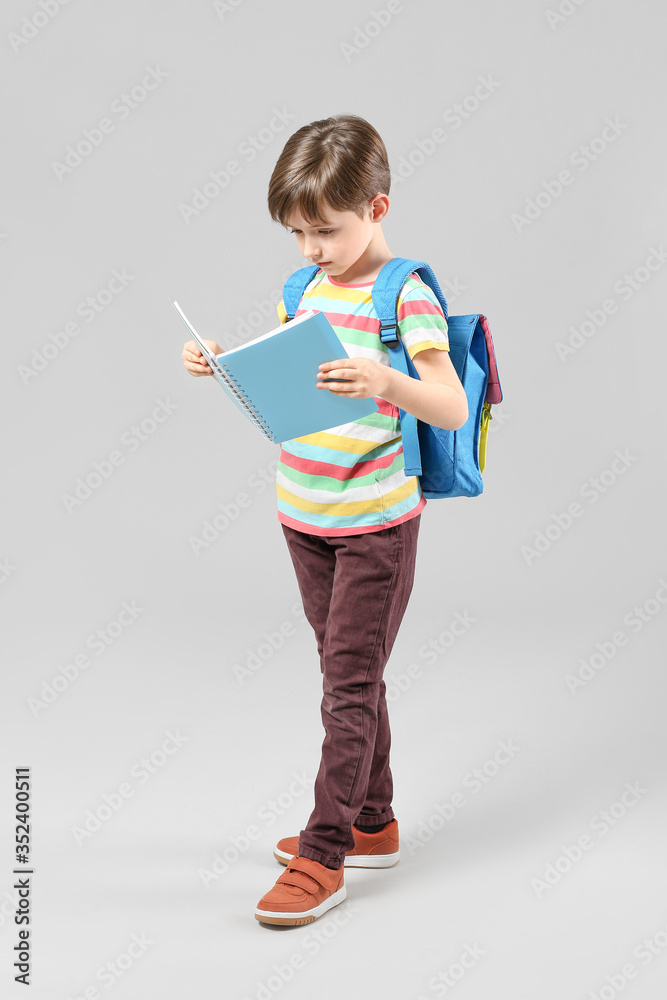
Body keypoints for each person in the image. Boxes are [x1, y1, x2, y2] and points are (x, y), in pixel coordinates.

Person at [181, 113, 468, 926]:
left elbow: (447, 404)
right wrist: (222, 362)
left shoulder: (401, 292)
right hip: (301, 510)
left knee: (345, 689)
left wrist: (385, 380)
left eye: (326, 230)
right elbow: (288, 380)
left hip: (374, 520)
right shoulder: (301, 287)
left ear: (377, 208)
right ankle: (374, 822)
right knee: (350, 679)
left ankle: (324, 850)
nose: (310, 248)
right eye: (297, 232)